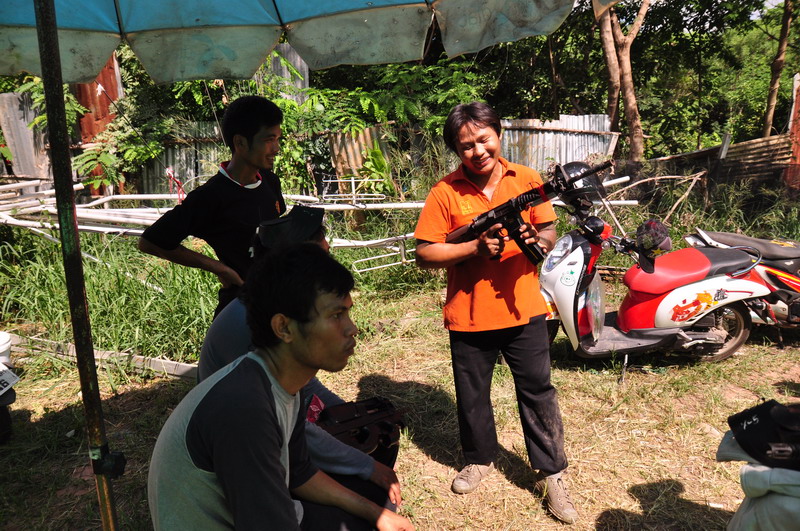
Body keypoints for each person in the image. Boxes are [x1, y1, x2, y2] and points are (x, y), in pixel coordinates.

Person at [148, 244, 415, 530]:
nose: (352, 329)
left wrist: (374, 512)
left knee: (376, 499)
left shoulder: (280, 380)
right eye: (336, 315)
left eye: (348, 313)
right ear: (284, 328)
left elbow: (299, 472)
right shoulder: (245, 409)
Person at [413, 102, 577, 524]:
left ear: (498, 135)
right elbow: (425, 253)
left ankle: (552, 473)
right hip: (469, 315)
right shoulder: (444, 192)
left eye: (484, 139)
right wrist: (473, 248)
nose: (478, 151)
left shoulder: (526, 179)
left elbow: (548, 230)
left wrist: (536, 240)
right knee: (472, 396)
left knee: (538, 392)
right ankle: (479, 458)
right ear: (456, 150)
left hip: (525, 310)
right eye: (466, 146)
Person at [198, 205, 402, 495]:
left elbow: (304, 390)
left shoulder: (269, 306)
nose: (352, 328)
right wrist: (364, 466)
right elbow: (291, 433)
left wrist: (348, 413)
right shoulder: (254, 326)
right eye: (336, 315)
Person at [138, 95, 286, 316]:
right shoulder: (211, 196)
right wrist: (221, 269)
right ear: (240, 143)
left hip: (278, 303)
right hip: (242, 310)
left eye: (278, 139)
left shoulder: (270, 181)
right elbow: (150, 242)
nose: (276, 148)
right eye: (269, 139)